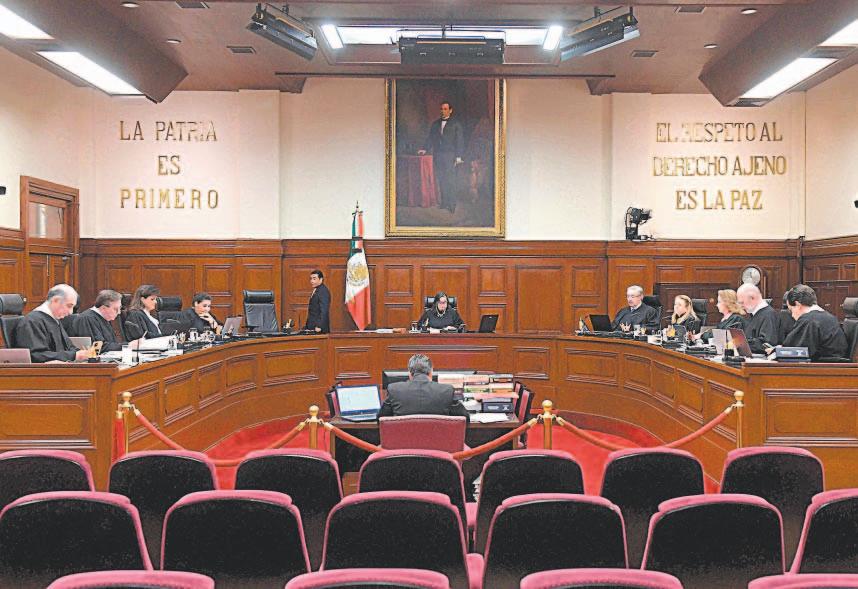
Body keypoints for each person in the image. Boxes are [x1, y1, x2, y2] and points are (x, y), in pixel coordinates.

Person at [377, 353, 469, 421]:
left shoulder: (395, 390)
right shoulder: (446, 391)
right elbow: (465, 418)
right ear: (431, 372)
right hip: (438, 441)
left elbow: (380, 419)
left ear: (409, 373)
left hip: (403, 441)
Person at [14, 284, 89, 363]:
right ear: (55, 300)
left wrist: (82, 353)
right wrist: (73, 356)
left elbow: (68, 347)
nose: (70, 312)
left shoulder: (54, 319)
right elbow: (36, 356)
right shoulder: (32, 321)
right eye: (69, 306)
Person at [418, 100, 464, 213]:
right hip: (438, 155)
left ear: (450, 110)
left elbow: (459, 141)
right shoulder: (435, 124)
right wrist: (425, 149)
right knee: (441, 179)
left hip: (450, 155)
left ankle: (452, 204)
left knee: (450, 180)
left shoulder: (456, 124)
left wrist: (458, 156)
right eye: (442, 109)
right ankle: (444, 202)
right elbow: (430, 138)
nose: (443, 111)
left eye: (445, 109)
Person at [780, 284, 848, 361]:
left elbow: (792, 351)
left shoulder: (808, 320)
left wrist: (777, 351)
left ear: (798, 305)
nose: (792, 315)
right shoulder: (830, 317)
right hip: (835, 364)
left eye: (791, 310)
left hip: (821, 365)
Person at [736, 283, 780, 353]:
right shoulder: (753, 314)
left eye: (742, 302)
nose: (741, 306)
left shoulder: (768, 315)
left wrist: (741, 342)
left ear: (752, 298)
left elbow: (767, 344)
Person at [304, 269, 330, 333]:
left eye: (314, 279)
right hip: (312, 326)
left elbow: (324, 310)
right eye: (311, 279)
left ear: (321, 279)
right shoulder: (317, 289)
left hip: (318, 328)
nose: (312, 281)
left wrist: (319, 326)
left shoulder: (323, 291)